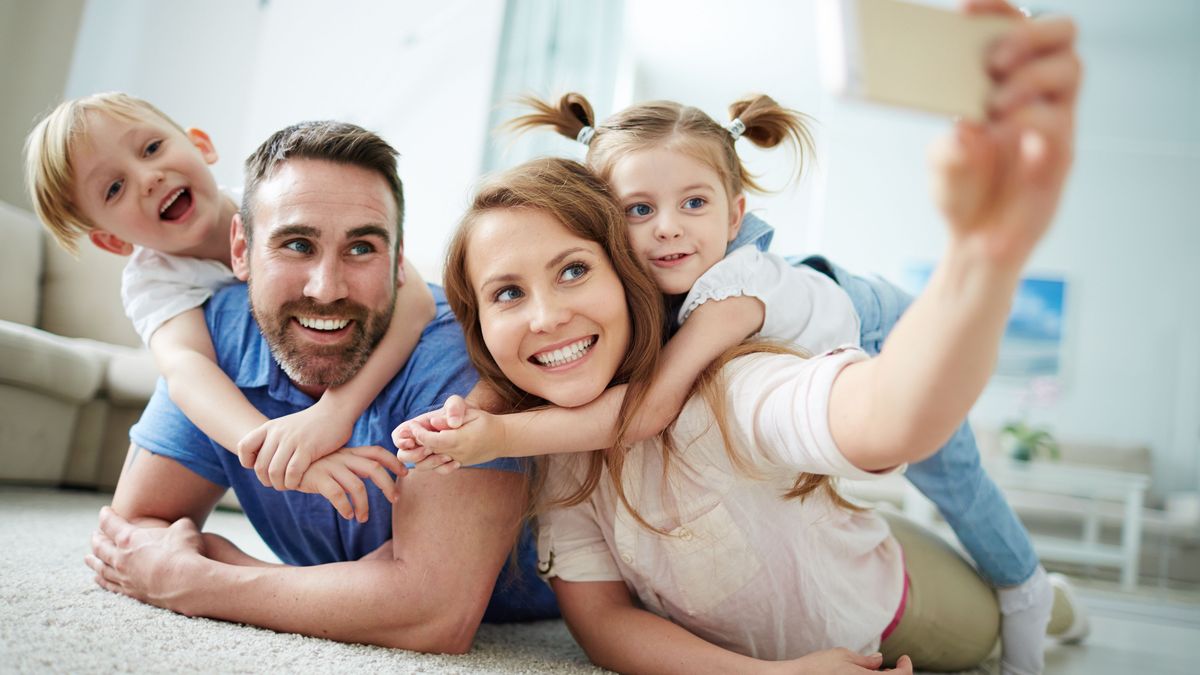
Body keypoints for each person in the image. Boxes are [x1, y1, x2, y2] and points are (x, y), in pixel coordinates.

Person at [395, 3, 1082, 672]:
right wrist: (471, 412)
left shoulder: (729, 329)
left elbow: (881, 416)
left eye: (572, 270)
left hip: (888, 512)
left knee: (980, 530)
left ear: (733, 216)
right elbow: (601, 620)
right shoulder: (569, 430)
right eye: (508, 292)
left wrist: (980, 254)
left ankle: (1046, 601)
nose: (545, 318)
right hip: (820, 524)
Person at [82, 120, 558, 651]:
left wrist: (203, 580)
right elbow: (130, 532)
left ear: (399, 259)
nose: (326, 289)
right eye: (296, 244)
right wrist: (369, 588)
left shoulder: (460, 356)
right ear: (241, 249)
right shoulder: (210, 339)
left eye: (361, 249)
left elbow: (434, 612)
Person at [25, 93, 435, 518]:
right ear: (113, 241)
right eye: (114, 188)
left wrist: (335, 412)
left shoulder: (274, 200)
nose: (148, 177)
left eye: (151, 148)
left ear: (200, 144)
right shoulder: (154, 280)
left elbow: (417, 296)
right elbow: (187, 370)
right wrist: (280, 452)